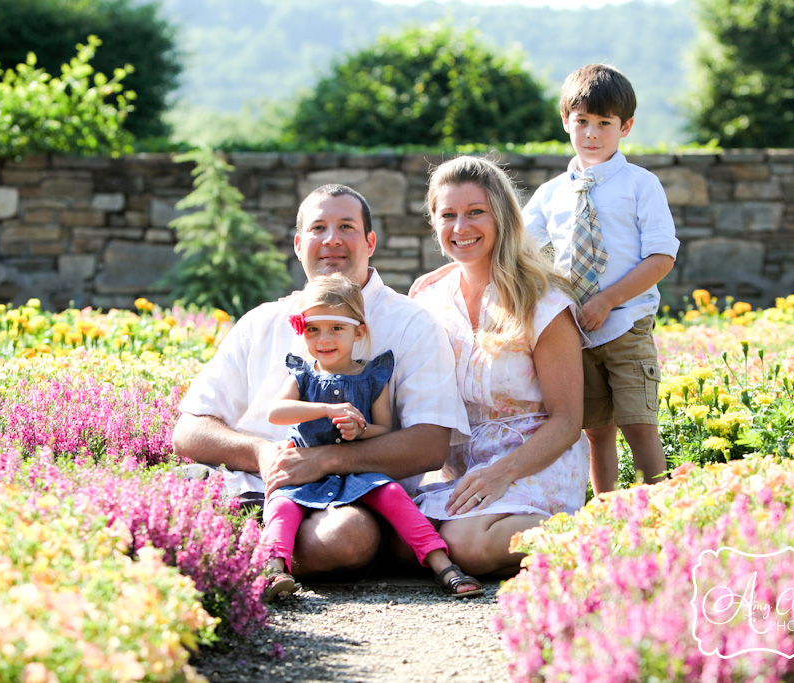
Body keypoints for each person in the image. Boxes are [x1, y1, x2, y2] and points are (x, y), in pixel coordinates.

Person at [173, 184, 471, 579]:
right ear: (299, 245)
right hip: (254, 483)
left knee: (346, 538)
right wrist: (263, 455)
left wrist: (326, 460)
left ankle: (223, 549)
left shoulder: (412, 325)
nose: (332, 239)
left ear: (370, 242)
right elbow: (190, 429)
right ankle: (243, 544)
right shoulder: (260, 322)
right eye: (318, 228)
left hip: (351, 499)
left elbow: (431, 444)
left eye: (346, 226)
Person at [409, 156, 587, 578]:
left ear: (502, 217)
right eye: (447, 215)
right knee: (402, 536)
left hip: (535, 459)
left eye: (475, 213)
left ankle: (598, 533)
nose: (460, 227)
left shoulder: (541, 300)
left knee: (472, 547)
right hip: (462, 468)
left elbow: (568, 420)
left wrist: (502, 473)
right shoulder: (428, 299)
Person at [261, 273, 483, 599]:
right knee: (280, 506)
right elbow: (276, 412)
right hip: (304, 472)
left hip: (357, 473)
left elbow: (385, 429)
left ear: (358, 331)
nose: (324, 339)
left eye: (336, 328)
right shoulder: (302, 374)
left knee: (394, 495)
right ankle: (273, 571)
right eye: (313, 329)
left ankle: (443, 565)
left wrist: (362, 430)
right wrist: (325, 410)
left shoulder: (372, 376)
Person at [522, 63, 680, 495]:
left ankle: (659, 511)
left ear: (625, 126)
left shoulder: (640, 185)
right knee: (595, 430)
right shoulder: (551, 194)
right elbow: (521, 250)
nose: (592, 133)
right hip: (575, 331)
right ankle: (608, 511)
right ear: (565, 122)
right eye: (582, 122)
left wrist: (607, 300)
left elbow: (662, 255)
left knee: (638, 423)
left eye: (604, 123)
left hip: (626, 322)